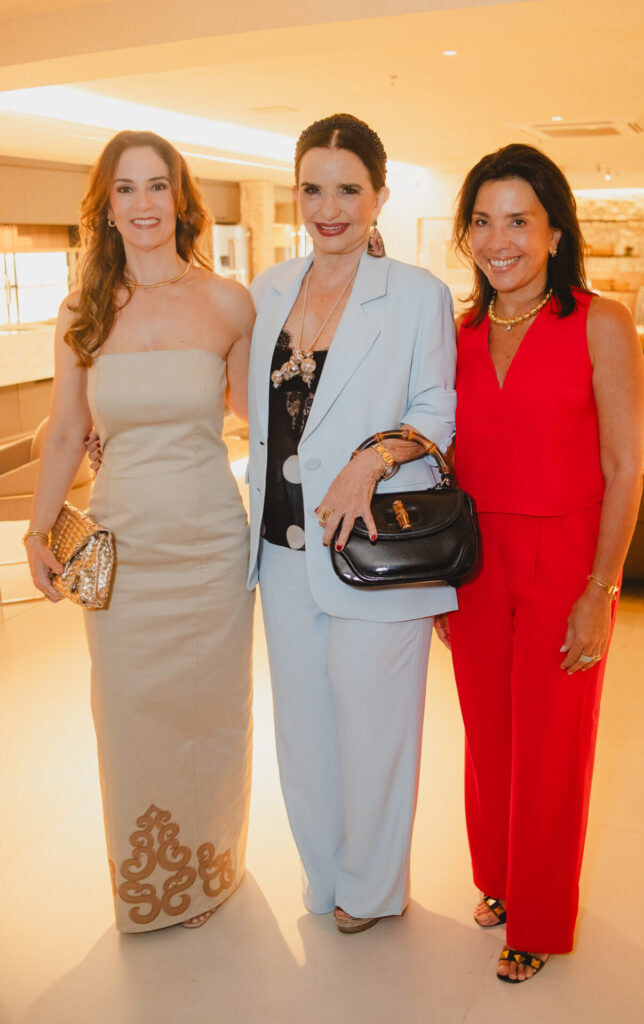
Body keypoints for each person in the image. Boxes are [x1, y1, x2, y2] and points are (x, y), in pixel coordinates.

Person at [24, 130, 255, 933]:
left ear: (181, 201)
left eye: (158, 186)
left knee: (211, 714)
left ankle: (209, 872)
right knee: (127, 716)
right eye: (126, 188)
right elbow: (64, 433)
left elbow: (258, 419)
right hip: (119, 546)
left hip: (210, 544)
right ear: (107, 207)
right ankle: (151, 884)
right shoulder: (81, 311)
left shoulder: (228, 302)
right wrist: (37, 533)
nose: (144, 203)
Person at [434, 143, 644, 980]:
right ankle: (498, 878)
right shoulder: (456, 334)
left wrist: (601, 588)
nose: (499, 241)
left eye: (518, 221)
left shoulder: (600, 322)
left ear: (555, 232)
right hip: (475, 561)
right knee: (487, 735)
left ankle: (540, 916)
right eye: (483, 222)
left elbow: (624, 467)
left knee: (552, 746)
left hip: (566, 560)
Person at [247, 113, 457, 933]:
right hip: (282, 548)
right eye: (311, 189)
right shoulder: (267, 290)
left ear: (379, 196)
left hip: (372, 546)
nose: (327, 209)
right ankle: (324, 876)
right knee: (303, 734)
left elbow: (436, 409)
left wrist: (370, 459)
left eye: (347, 190)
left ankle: (371, 890)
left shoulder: (415, 295)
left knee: (375, 733)